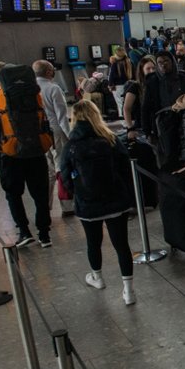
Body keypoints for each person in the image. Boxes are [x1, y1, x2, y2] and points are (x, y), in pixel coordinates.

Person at [60, 100, 136, 306]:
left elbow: (65, 174)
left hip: (88, 203)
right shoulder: (110, 139)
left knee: (93, 242)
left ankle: (97, 277)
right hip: (115, 201)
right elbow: (125, 167)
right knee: (121, 245)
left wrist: (76, 192)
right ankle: (128, 290)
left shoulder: (72, 144)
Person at [0, 65, 52, 248]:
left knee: (13, 194)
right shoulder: (35, 97)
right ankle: (44, 234)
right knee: (40, 194)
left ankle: (24, 231)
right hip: (37, 151)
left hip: (11, 153)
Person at [32, 60, 74, 216]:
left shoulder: (31, 89)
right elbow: (62, 116)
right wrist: (70, 136)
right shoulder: (53, 88)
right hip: (55, 131)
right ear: (49, 72)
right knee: (61, 167)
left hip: (39, 134)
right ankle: (67, 206)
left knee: (47, 170)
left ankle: (45, 206)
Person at [140, 51, 185, 139]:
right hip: (162, 124)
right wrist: (147, 131)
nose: (163, 65)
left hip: (184, 121)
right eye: (160, 62)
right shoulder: (152, 81)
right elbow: (146, 107)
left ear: (172, 62)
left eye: (166, 61)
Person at [122, 55, 156, 136]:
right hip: (141, 128)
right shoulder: (135, 87)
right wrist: (130, 128)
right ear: (142, 71)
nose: (152, 71)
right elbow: (127, 108)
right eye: (148, 69)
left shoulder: (159, 85)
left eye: (154, 68)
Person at [108, 46, 133, 112]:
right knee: (127, 104)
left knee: (120, 105)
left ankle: (122, 120)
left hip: (118, 87)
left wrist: (110, 86)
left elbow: (111, 76)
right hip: (128, 85)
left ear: (116, 54)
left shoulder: (115, 64)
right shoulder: (129, 62)